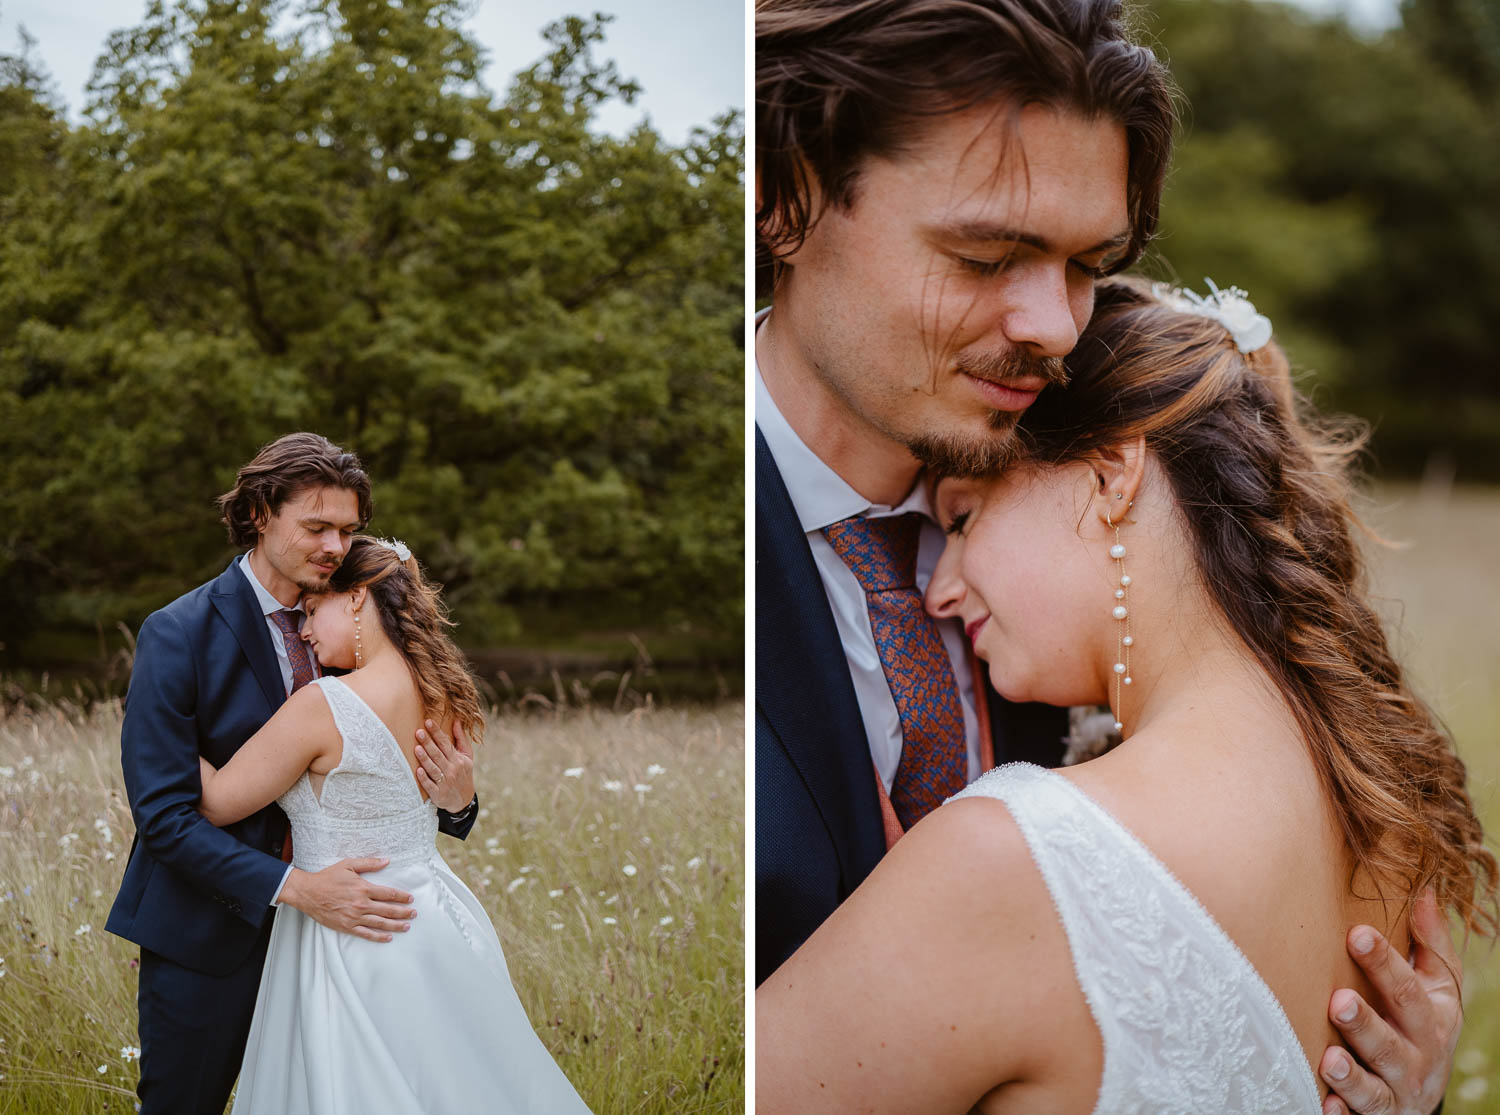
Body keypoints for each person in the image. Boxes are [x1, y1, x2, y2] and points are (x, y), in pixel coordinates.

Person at [754, 0, 1467, 1108]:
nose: (1053, 324)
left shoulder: (1078, 566)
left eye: (1091, 264)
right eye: (990, 252)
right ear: (785, 199)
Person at [106, 432, 480, 1115]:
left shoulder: (351, 623)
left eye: (347, 529)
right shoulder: (178, 633)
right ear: (259, 513)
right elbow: (163, 817)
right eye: (317, 526)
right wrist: (298, 888)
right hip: (209, 938)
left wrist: (459, 804)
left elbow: (388, 772)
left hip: (342, 947)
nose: (335, 545)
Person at [196, 535, 591, 1113]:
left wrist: (158, 726)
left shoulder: (324, 705)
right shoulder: (442, 694)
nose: (304, 630)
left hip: (352, 933)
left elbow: (217, 803)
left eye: (311, 611)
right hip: (435, 922)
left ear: (356, 598)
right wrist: (463, 804)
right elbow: (444, 804)